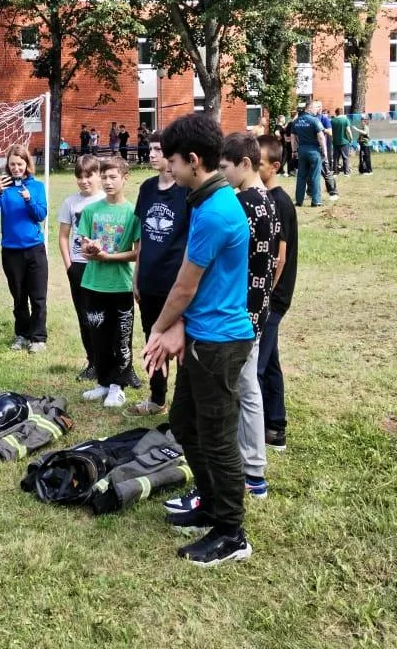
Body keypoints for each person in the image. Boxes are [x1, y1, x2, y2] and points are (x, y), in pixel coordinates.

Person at [144, 113, 255, 566]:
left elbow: (186, 287)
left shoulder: (215, 212)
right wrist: (181, 328)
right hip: (201, 337)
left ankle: (231, 532)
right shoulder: (205, 200)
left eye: (172, 160)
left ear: (193, 160)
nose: (167, 168)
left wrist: (159, 327)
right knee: (187, 424)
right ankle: (209, 503)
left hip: (219, 344)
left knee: (218, 438)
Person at [219, 132, 279, 499]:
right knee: (247, 386)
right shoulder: (268, 199)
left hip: (243, 309)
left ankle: (253, 471)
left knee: (244, 388)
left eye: (225, 167)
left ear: (245, 164)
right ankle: (251, 466)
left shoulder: (244, 203)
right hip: (257, 304)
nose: (222, 174)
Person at [129, 131, 190, 416]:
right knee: (152, 339)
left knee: (181, 345)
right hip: (149, 280)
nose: (151, 154)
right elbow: (141, 236)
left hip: (176, 283)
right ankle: (157, 398)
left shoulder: (187, 191)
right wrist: (137, 275)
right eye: (150, 149)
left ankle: (184, 403)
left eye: (157, 150)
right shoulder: (147, 188)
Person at [78, 156, 141, 409]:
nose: (107, 181)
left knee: (120, 339)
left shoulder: (132, 212)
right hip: (94, 283)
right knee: (98, 338)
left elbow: (138, 252)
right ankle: (103, 383)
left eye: (113, 177)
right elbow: (82, 247)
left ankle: (118, 386)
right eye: (104, 177)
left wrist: (110, 257)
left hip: (121, 285)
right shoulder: (91, 210)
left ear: (125, 179)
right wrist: (90, 248)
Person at [0, 145, 49, 352]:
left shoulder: (37, 186)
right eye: (12, 164)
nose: (16, 168)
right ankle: (22, 334)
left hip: (34, 249)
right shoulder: (2, 187)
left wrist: (29, 200)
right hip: (11, 251)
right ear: (8, 165)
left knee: (38, 296)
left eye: (20, 164)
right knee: (19, 297)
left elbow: (41, 215)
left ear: (26, 164)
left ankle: (38, 338)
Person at [257, 135, 297, 450]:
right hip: (268, 299)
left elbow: (279, 258)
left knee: (256, 365)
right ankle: (276, 427)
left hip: (271, 299)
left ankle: (255, 431)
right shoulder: (264, 198)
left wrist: (264, 296)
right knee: (269, 362)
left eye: (258, 165)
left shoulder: (278, 202)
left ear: (275, 166)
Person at [57, 154, 104, 381]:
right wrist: (69, 265)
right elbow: (64, 236)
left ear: (98, 176)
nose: (84, 181)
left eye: (89, 175)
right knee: (85, 317)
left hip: (103, 267)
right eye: (80, 177)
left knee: (105, 317)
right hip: (79, 267)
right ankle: (93, 361)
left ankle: (113, 363)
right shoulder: (70, 203)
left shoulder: (106, 200)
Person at [331, 107, 352, 176]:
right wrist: (351, 138)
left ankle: (335, 172)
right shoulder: (346, 120)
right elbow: (348, 130)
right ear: (342, 112)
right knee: (345, 157)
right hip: (344, 141)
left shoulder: (332, 120)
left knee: (336, 158)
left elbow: (331, 131)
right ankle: (346, 172)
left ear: (336, 113)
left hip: (335, 142)